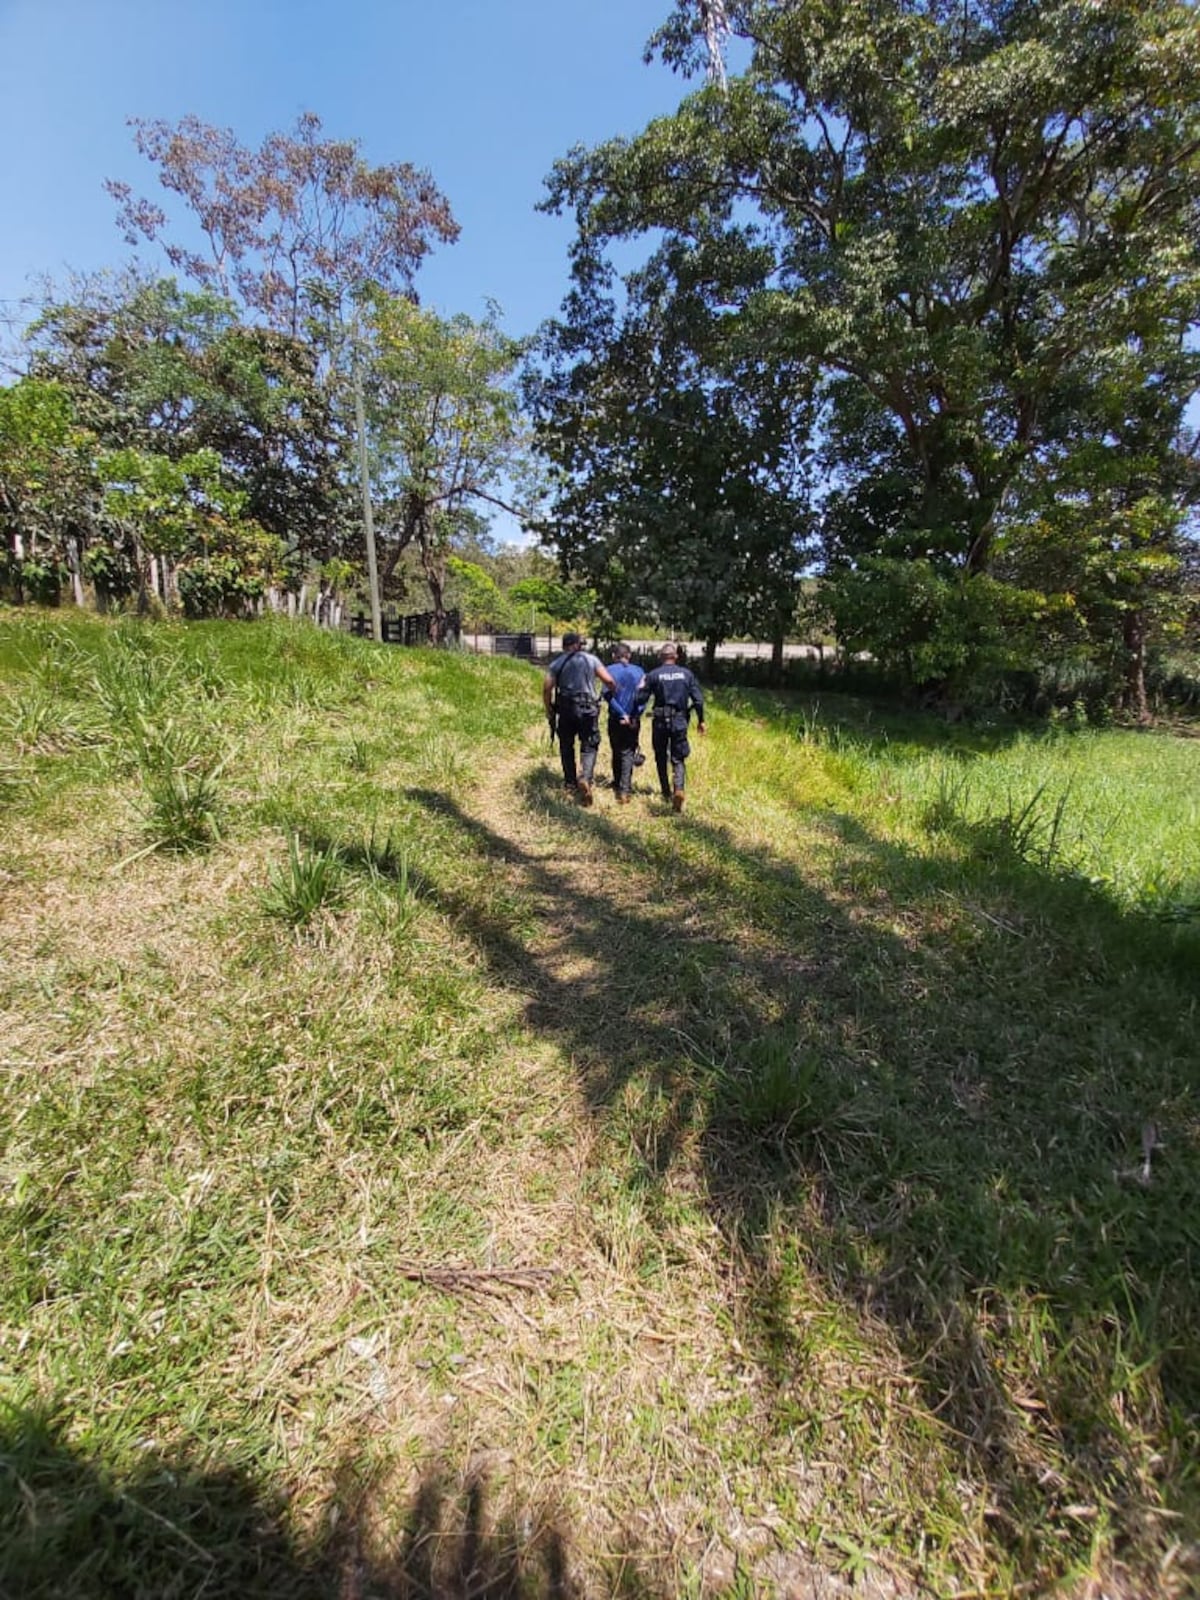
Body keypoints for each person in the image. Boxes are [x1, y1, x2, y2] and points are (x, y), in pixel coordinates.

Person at [543, 632, 617, 806]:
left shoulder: (556, 663)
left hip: (566, 708)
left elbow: (547, 688)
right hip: (587, 708)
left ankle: (570, 783)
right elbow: (609, 681)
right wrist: (602, 696)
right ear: (577, 645)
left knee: (566, 745)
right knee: (589, 745)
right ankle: (585, 778)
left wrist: (549, 708)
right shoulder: (591, 660)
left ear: (564, 646)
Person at [635, 642, 706, 812]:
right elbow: (698, 700)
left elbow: (640, 699)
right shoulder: (687, 674)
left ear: (661, 657)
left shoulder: (653, 675)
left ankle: (666, 792)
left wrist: (640, 687)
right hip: (679, 720)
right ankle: (679, 789)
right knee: (678, 757)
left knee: (660, 756)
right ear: (676, 656)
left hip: (660, 721)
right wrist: (701, 720)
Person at [602, 643, 646, 805]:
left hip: (616, 717)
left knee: (616, 749)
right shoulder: (639, 671)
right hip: (633, 719)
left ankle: (618, 783)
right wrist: (635, 714)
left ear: (614, 656)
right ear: (629, 655)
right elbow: (644, 697)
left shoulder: (608, 670)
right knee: (628, 752)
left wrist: (622, 713)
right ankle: (625, 789)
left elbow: (607, 696)